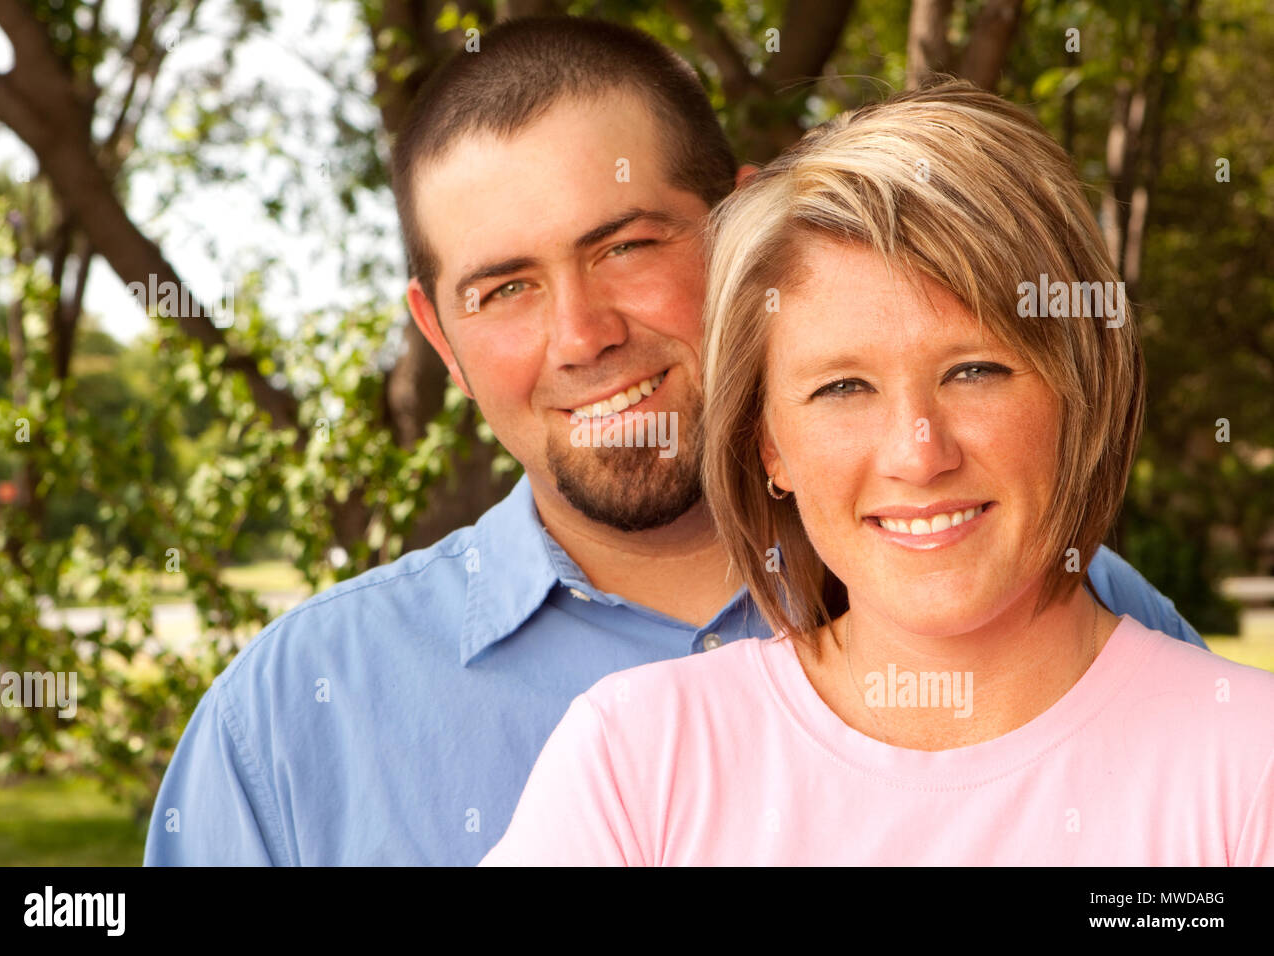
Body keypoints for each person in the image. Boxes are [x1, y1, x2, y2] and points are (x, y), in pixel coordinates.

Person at [144, 18, 1206, 867]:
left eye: (627, 245)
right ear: (442, 340)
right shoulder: (288, 719)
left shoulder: (1071, 611)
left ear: (744, 239)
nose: (581, 334)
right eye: (504, 288)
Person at [479, 81, 1274, 866]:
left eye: (975, 370)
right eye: (843, 388)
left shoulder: (1248, 765)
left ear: (1081, 392)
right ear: (768, 445)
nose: (918, 453)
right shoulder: (637, 764)